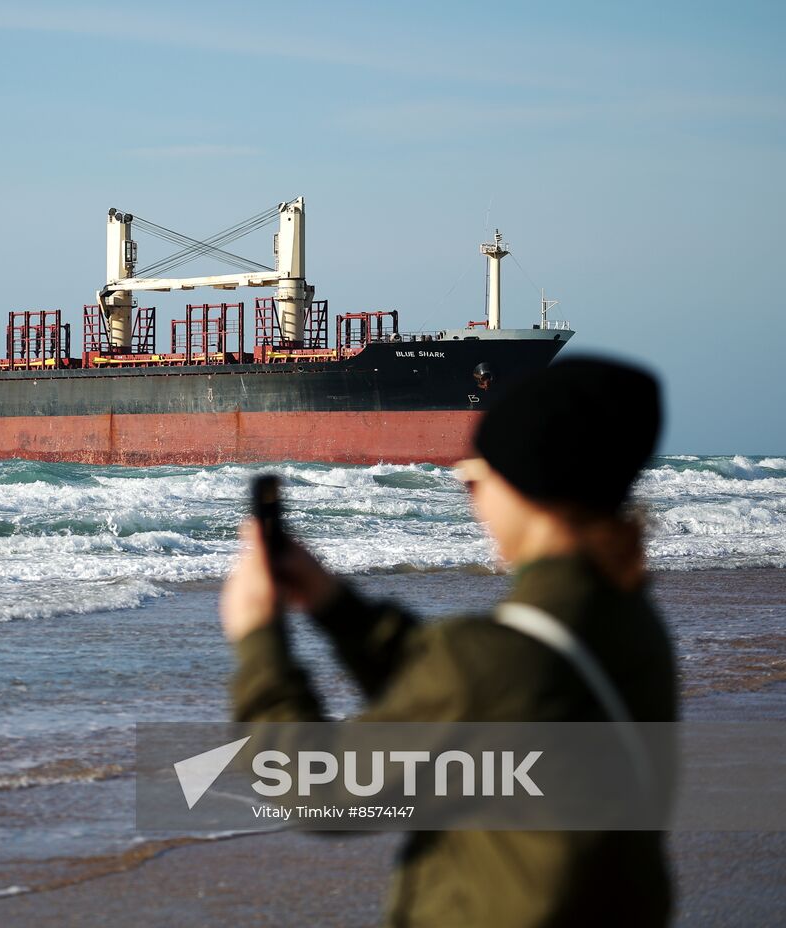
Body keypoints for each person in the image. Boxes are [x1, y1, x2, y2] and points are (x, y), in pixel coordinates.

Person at [220, 358, 677, 927]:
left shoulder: (493, 661)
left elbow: (310, 788)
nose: (467, 490)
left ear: (526, 486)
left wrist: (257, 638)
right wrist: (335, 607)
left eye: (474, 472)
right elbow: (474, 699)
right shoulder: (631, 622)